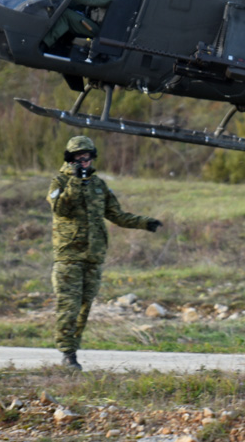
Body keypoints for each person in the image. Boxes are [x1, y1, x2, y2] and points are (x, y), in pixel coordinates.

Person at [48, 135, 163, 370]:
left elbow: (117, 215)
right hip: (69, 257)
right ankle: (67, 354)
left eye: (87, 156)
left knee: (83, 308)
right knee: (67, 307)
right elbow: (61, 209)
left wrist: (145, 222)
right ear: (70, 159)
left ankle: (73, 350)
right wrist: (75, 182)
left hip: (93, 257)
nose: (84, 161)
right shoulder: (59, 182)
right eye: (78, 157)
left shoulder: (99, 185)